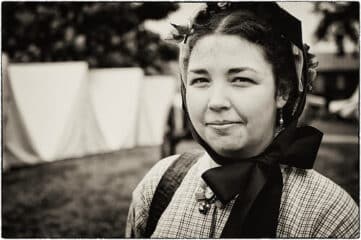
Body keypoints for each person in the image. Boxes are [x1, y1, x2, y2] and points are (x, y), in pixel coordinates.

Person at [126, 2, 359, 238]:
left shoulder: (330, 215)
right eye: (200, 80)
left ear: (282, 91)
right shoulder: (159, 186)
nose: (216, 102)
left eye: (240, 80)